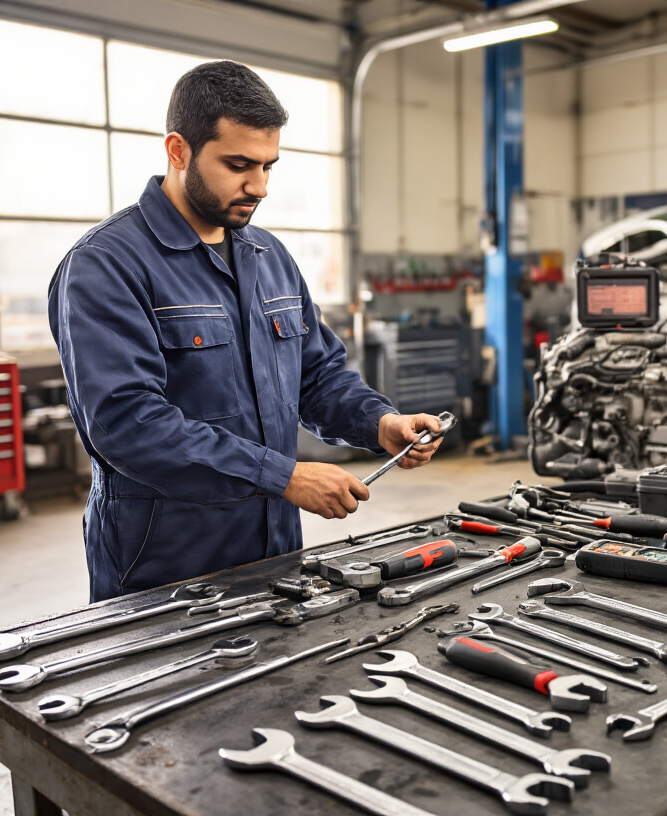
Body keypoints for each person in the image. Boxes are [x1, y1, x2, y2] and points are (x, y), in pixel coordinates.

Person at [48, 61, 444, 602]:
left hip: (275, 547)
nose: (258, 186)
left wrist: (379, 423)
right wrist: (283, 477)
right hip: (165, 561)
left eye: (267, 166)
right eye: (237, 164)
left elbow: (317, 376)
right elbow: (127, 424)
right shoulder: (107, 266)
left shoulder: (268, 256)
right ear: (178, 150)